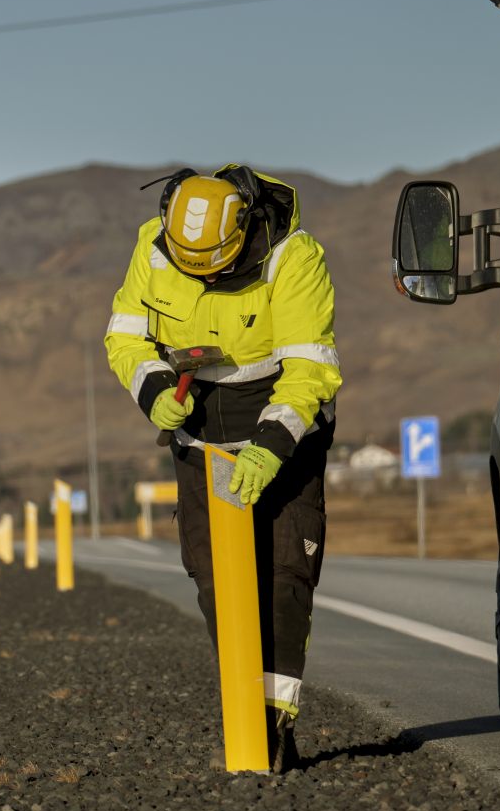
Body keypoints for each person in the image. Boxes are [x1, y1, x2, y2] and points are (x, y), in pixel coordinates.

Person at [103, 165, 341, 772]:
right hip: (198, 431)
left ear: (242, 235)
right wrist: (154, 388)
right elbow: (125, 336)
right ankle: (243, 710)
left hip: (283, 429)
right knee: (216, 577)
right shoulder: (152, 248)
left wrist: (269, 446)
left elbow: (309, 369)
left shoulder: (294, 256)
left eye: (211, 266)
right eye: (189, 266)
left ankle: (273, 726)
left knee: (284, 574)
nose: (199, 278)